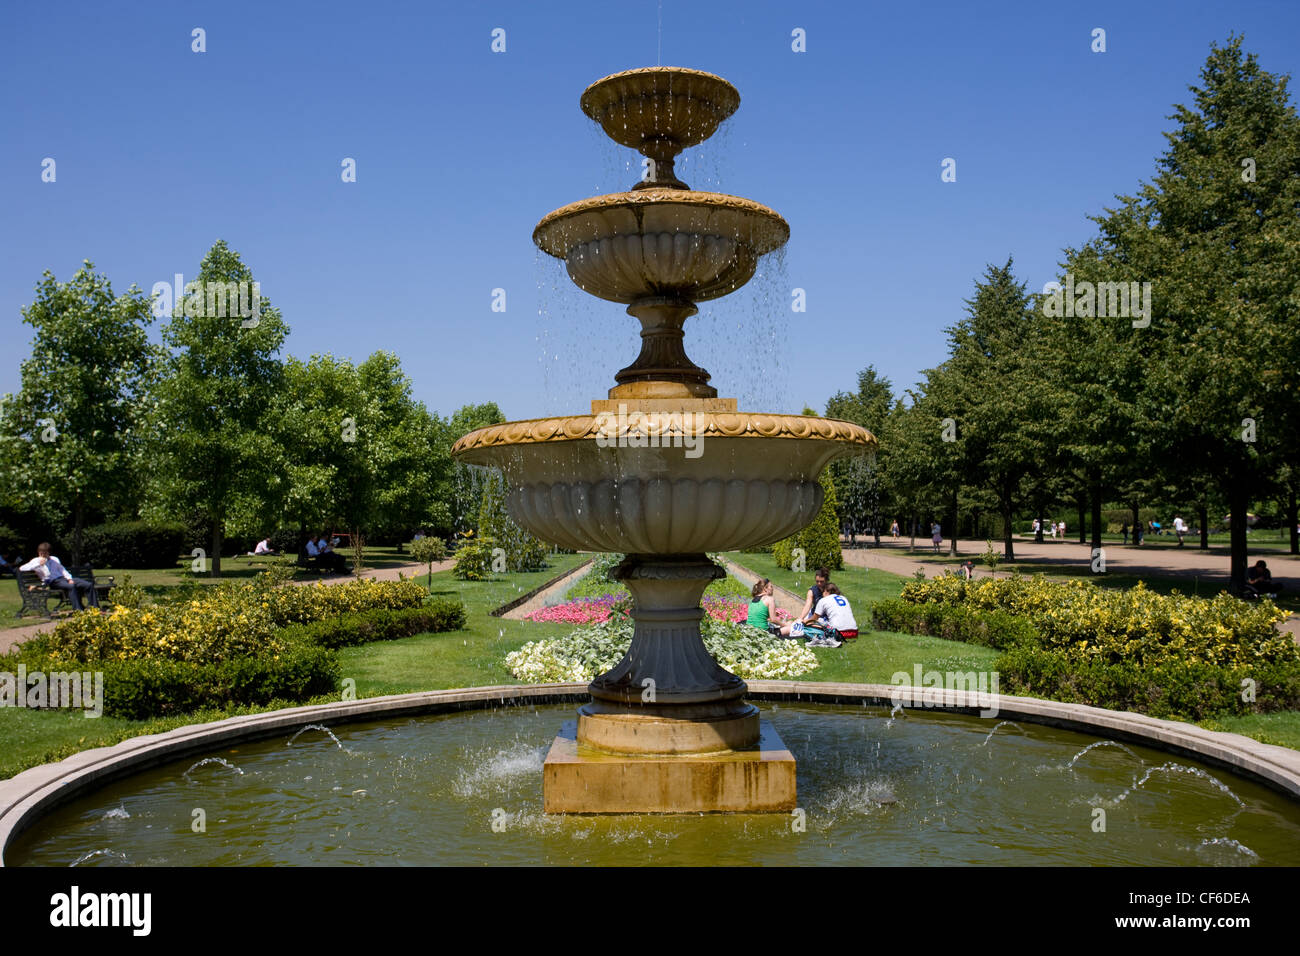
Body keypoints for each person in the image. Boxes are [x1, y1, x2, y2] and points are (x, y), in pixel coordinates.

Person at [19, 542, 99, 611]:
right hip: (53, 582)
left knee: (88, 585)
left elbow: (62, 570)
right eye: (41, 553)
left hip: (63, 579)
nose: (42, 555)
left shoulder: (55, 559)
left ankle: (95, 608)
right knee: (71, 586)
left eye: (45, 553)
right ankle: (78, 610)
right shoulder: (36, 560)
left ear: (49, 553)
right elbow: (22, 568)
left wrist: (69, 578)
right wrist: (39, 564)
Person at [809, 582, 858, 647]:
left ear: (826, 591)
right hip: (853, 632)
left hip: (838, 633)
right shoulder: (843, 598)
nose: (822, 594)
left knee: (819, 622)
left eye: (823, 592)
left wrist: (804, 622)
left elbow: (814, 619)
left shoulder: (823, 600)